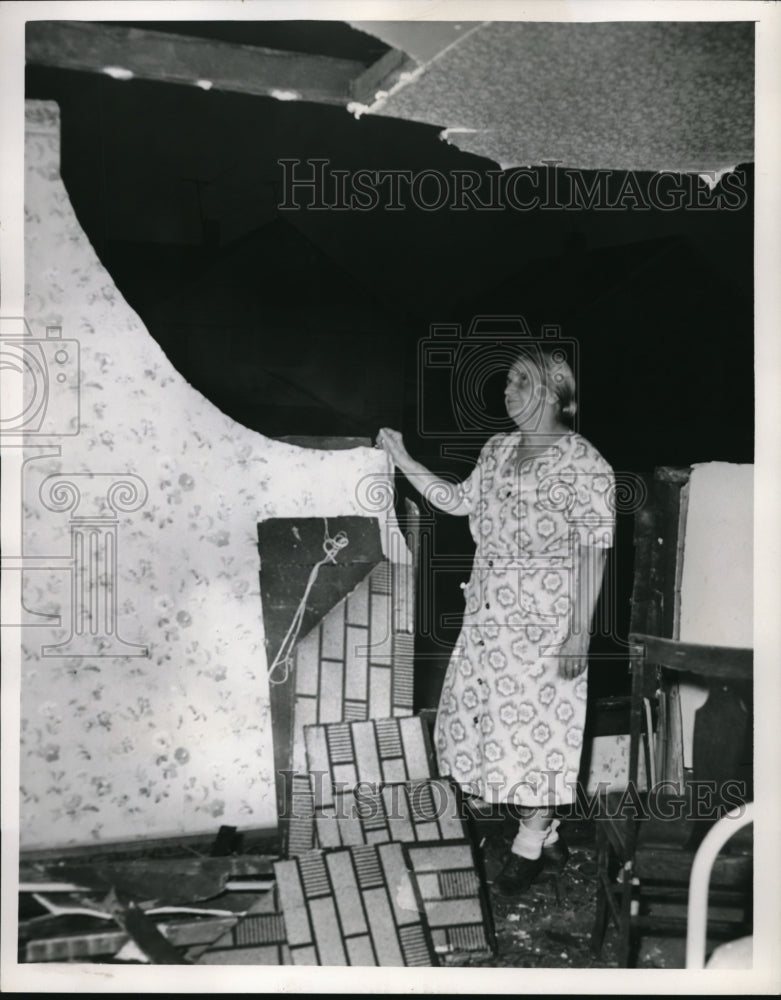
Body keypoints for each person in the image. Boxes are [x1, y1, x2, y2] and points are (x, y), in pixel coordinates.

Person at [377, 343, 615, 898]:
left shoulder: (586, 464)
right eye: (506, 382)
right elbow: (458, 502)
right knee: (488, 726)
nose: (508, 393)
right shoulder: (498, 448)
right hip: (488, 617)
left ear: (558, 395)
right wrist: (403, 458)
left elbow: (594, 551)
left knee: (539, 735)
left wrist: (580, 632)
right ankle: (547, 829)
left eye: (521, 383)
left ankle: (531, 842)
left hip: (548, 625)